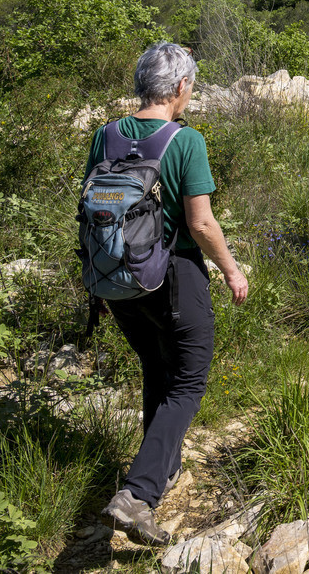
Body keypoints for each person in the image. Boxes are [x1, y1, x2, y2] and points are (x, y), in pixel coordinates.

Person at [94, 41, 249, 546]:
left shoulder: (107, 134)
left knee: (156, 368)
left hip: (117, 279)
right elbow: (200, 224)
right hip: (174, 276)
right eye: (192, 88)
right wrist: (230, 271)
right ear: (180, 87)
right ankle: (138, 494)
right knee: (187, 381)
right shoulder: (185, 140)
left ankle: (162, 467)